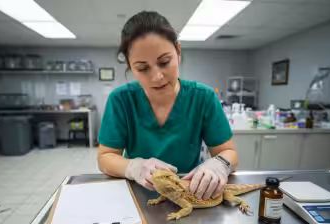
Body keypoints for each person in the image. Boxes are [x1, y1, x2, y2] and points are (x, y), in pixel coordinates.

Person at [98, 11, 238, 200]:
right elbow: (105, 157)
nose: (157, 77)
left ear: (178, 52)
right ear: (130, 67)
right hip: (139, 193)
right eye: (143, 68)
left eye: (164, 62)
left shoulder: (203, 97)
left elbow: (229, 153)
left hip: (191, 191)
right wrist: (133, 167)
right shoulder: (121, 100)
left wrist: (219, 164)